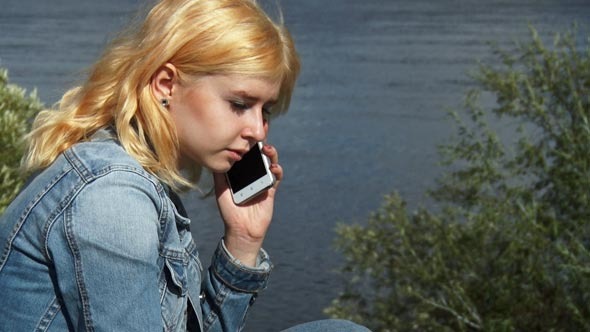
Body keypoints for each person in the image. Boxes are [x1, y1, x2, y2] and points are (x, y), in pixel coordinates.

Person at [0, 0, 370, 331]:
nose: (257, 130)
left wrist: (243, 242)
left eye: (265, 110)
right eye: (240, 104)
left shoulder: (142, 178)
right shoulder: (112, 198)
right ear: (166, 85)